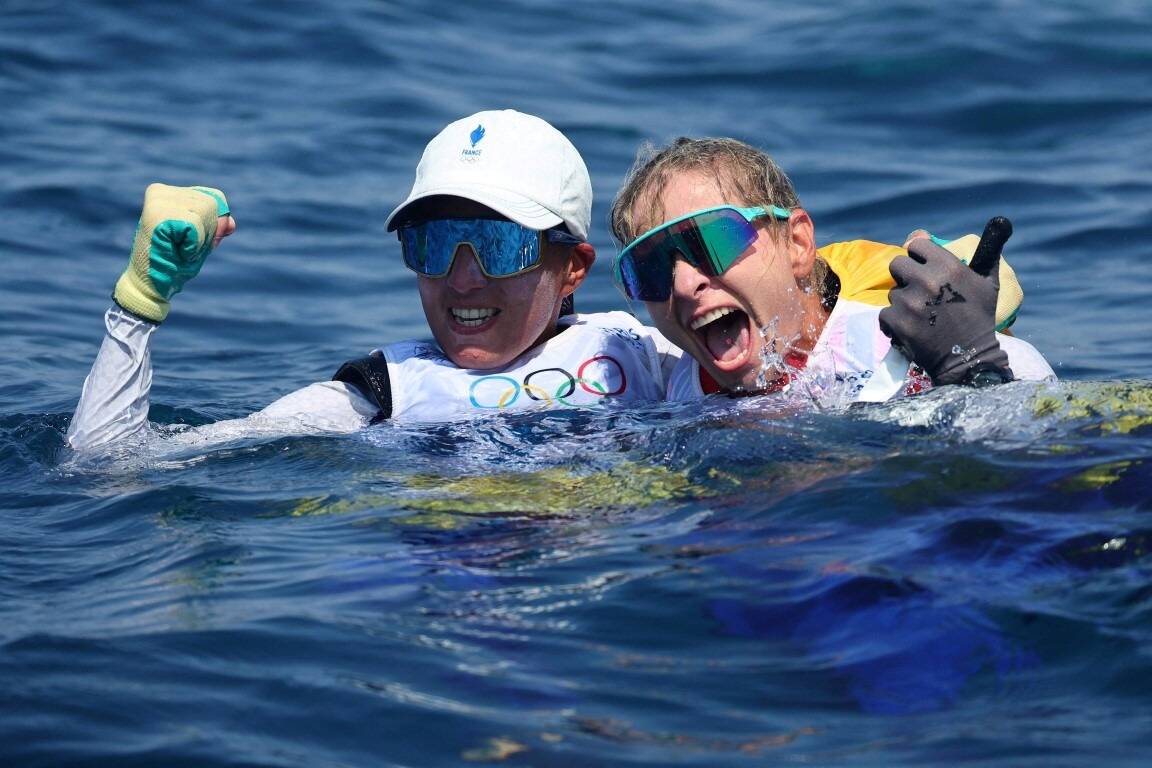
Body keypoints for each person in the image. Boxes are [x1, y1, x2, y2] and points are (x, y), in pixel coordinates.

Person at [67, 110, 680, 452]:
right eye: (432, 244)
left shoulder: (643, 355)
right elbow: (105, 464)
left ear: (574, 266)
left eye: (498, 246)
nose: (462, 279)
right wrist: (140, 303)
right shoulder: (380, 393)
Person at [608, 137, 1055, 405]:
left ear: (797, 243)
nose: (684, 284)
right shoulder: (663, 382)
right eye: (650, 269)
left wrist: (973, 375)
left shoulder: (912, 356)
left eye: (711, 242)